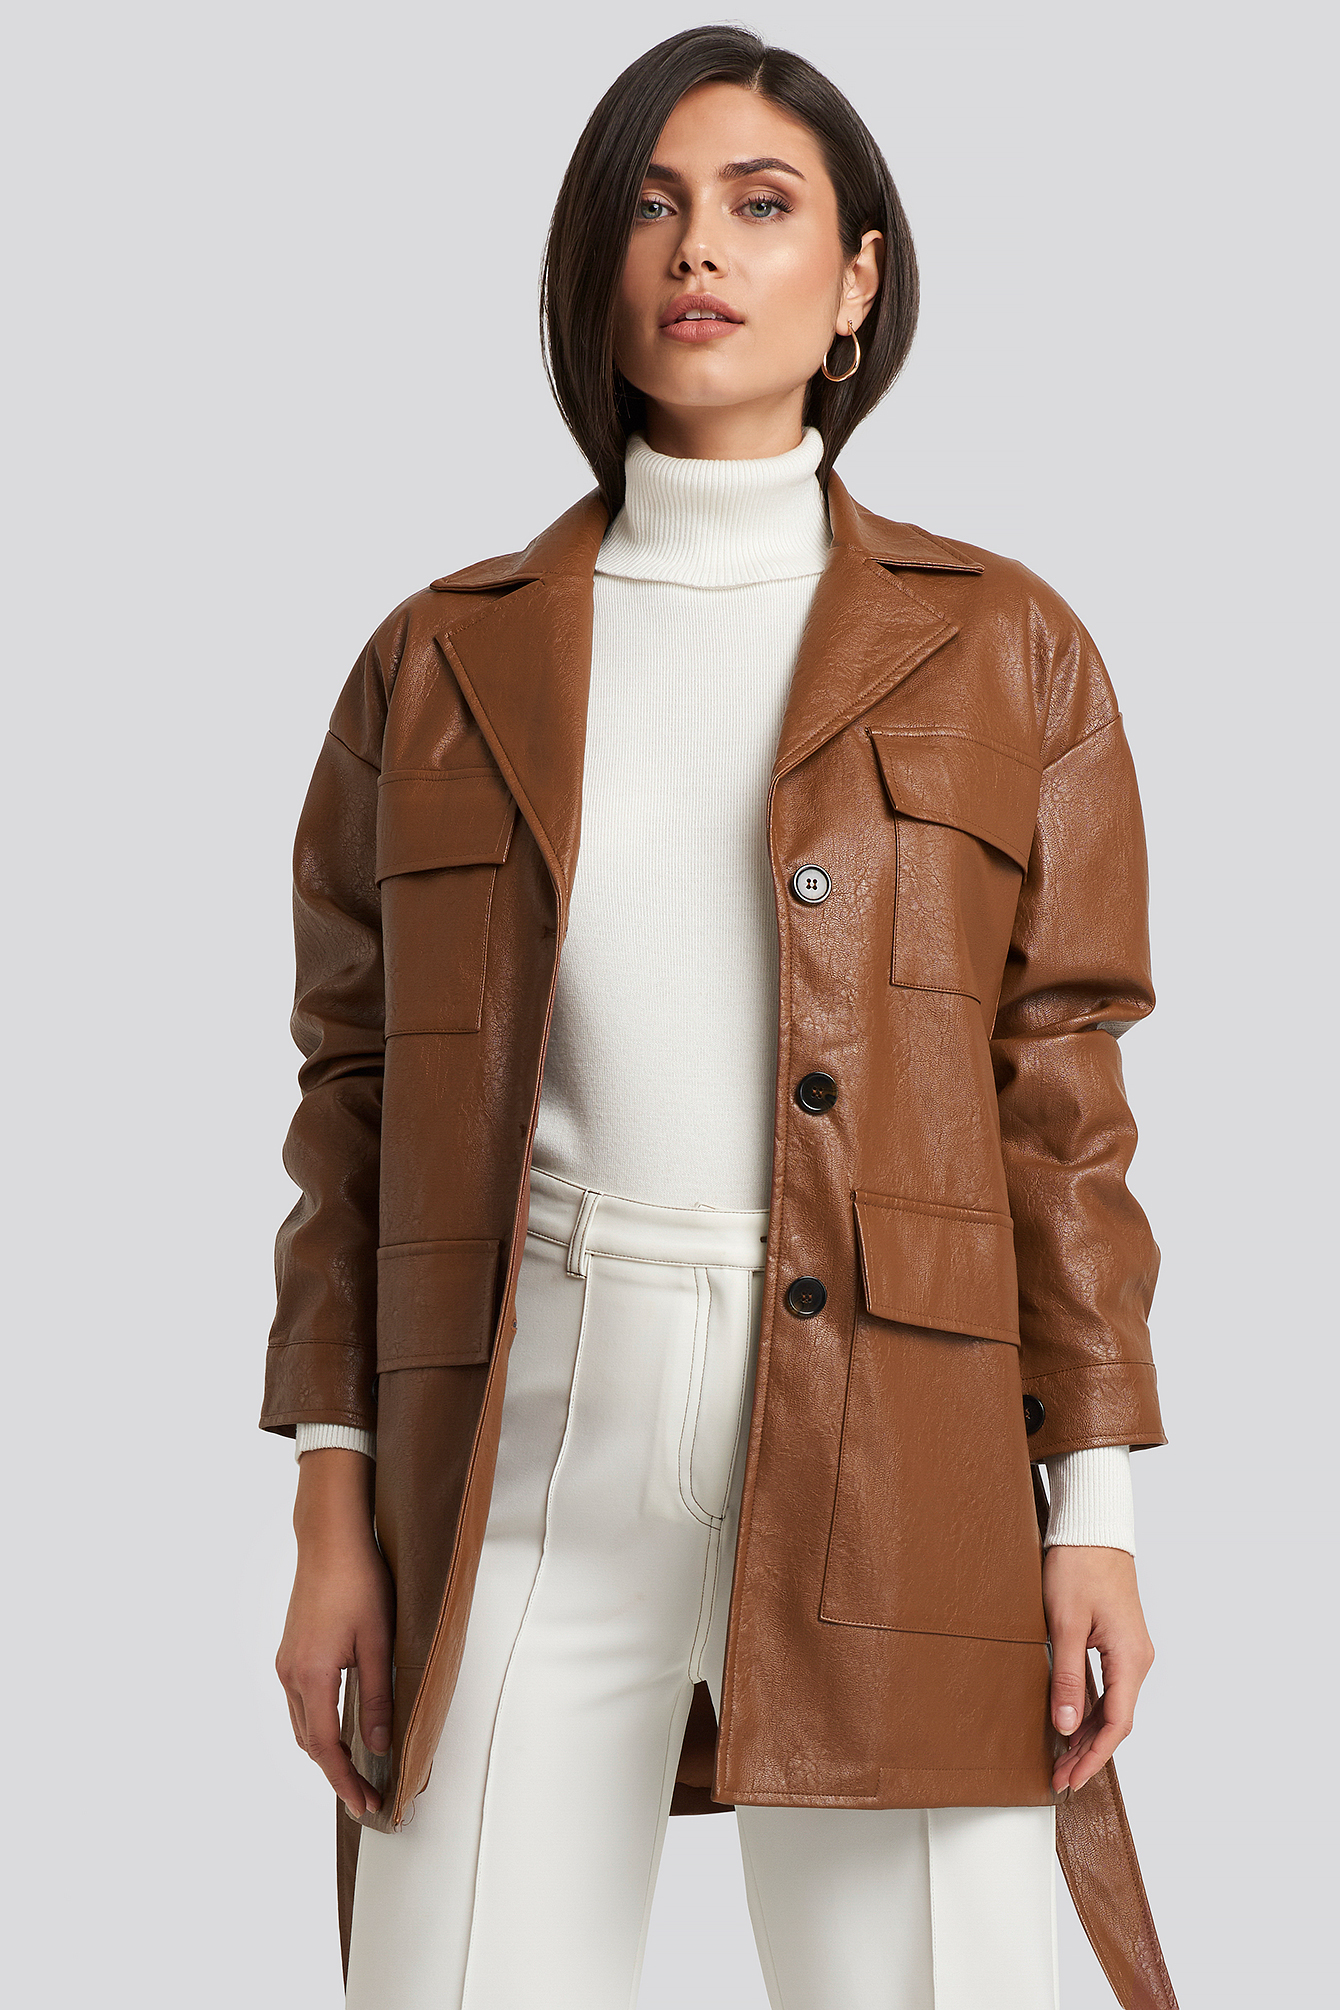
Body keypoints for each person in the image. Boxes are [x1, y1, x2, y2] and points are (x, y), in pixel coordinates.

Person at [263, 26, 1173, 2010]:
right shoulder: (435, 665)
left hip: (902, 1444)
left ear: (855, 284)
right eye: (653, 207)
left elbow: (1061, 1104)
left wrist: (1091, 1510)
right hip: (527, 1440)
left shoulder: (1003, 647)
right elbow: (352, 1099)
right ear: (592, 269)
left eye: (764, 207)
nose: (700, 249)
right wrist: (332, 1506)